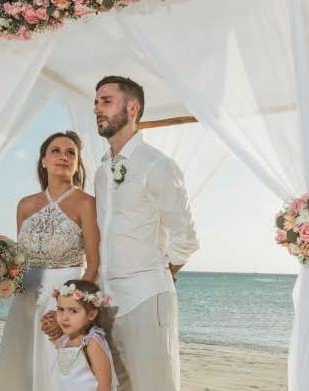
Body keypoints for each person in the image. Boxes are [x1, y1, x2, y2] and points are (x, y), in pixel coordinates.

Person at [94, 76, 199, 390]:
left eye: (106, 101)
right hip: (106, 299)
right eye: (96, 102)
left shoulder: (157, 165)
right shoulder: (101, 170)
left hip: (145, 298)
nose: (97, 108)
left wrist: (161, 273)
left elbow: (186, 237)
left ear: (132, 107)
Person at [0, 131, 100, 391]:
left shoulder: (87, 203)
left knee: (60, 371)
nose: (63, 156)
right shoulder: (25, 205)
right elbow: (20, 260)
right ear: (43, 161)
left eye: (71, 152)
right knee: (22, 368)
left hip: (65, 297)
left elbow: (95, 264)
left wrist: (70, 309)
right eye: (56, 151)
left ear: (77, 163)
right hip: (26, 296)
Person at [51, 279, 116, 391]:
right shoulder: (64, 339)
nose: (64, 317)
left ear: (91, 314)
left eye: (73, 311)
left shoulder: (91, 343)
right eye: (61, 309)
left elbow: (105, 384)